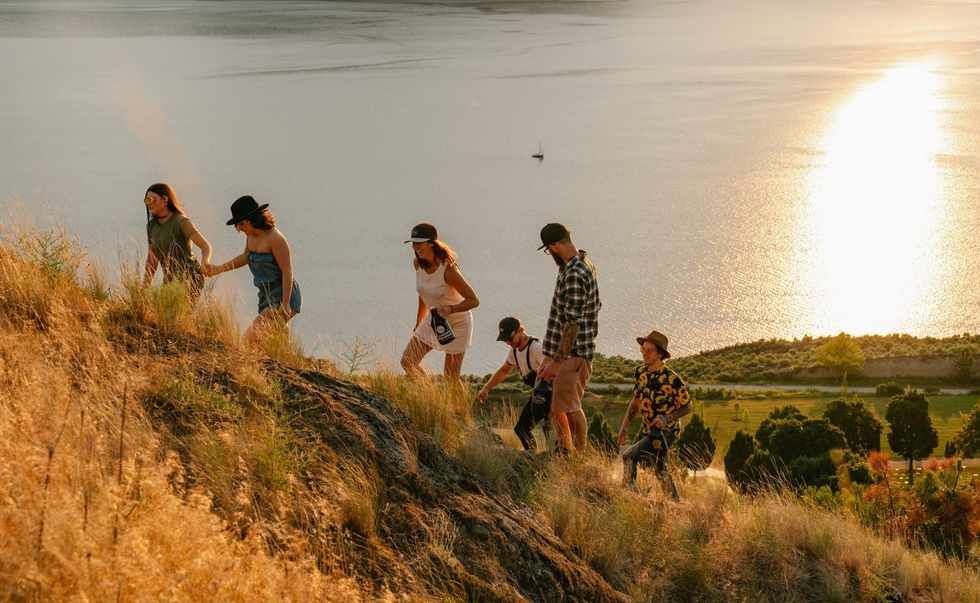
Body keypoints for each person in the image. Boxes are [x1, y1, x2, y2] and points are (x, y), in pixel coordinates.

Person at [535, 223, 600, 453]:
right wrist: (549, 357)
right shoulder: (581, 264)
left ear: (553, 246)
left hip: (573, 355)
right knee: (557, 407)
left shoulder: (573, 273)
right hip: (566, 352)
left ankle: (577, 460)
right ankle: (565, 451)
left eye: (547, 250)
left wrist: (557, 362)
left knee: (570, 409)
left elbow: (572, 323)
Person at [203, 195, 301, 342]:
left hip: (282, 295)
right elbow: (245, 258)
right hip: (265, 296)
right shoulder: (251, 237)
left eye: (241, 224)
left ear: (252, 220)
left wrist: (286, 304)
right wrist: (218, 269)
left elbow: (287, 271)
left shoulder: (275, 239)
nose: (239, 228)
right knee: (269, 342)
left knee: (249, 339)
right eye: (237, 225)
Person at [617, 330, 692, 501]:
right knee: (660, 469)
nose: (645, 353)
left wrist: (666, 418)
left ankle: (627, 495)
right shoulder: (640, 373)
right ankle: (675, 504)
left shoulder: (672, 379)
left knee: (629, 457)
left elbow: (688, 406)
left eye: (649, 350)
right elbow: (635, 402)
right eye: (643, 349)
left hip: (668, 431)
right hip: (650, 430)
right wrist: (623, 427)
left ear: (660, 353)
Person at [400, 223, 479, 382]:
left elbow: (474, 300)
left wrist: (451, 309)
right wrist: (419, 321)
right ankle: (429, 393)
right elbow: (424, 293)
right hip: (434, 320)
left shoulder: (448, 270)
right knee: (408, 361)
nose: (415, 247)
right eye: (413, 243)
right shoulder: (417, 263)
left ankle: (459, 407)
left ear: (431, 242)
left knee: (451, 378)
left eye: (419, 242)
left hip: (458, 323)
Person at [476, 317, 553, 451]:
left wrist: (554, 406)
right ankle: (532, 457)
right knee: (522, 429)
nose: (507, 342)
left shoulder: (537, 348)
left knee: (551, 432)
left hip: (552, 394)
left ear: (520, 331)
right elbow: (504, 370)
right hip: (538, 395)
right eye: (504, 339)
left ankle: (557, 461)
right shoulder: (515, 351)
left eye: (509, 338)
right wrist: (486, 388)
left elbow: (552, 370)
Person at [143, 182, 212, 298]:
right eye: (147, 200)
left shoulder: (181, 222)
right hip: (169, 280)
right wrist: (144, 287)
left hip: (191, 278)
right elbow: (152, 259)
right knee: (162, 314)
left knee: (177, 315)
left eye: (153, 200)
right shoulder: (151, 226)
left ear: (165, 200)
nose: (149, 203)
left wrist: (205, 262)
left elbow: (205, 246)